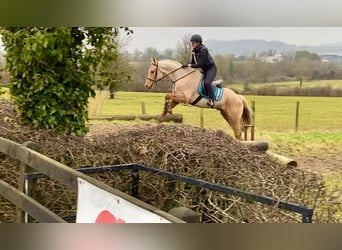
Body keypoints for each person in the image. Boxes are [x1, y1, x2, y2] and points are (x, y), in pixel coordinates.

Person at [182, 34, 217, 108]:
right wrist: (185, 67)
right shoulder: (194, 51)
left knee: (207, 83)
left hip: (211, 69)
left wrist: (188, 65)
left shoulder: (203, 50)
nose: (192, 44)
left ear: (198, 43)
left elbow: (199, 64)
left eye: (193, 42)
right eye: (192, 42)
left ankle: (212, 100)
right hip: (204, 70)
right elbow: (192, 63)